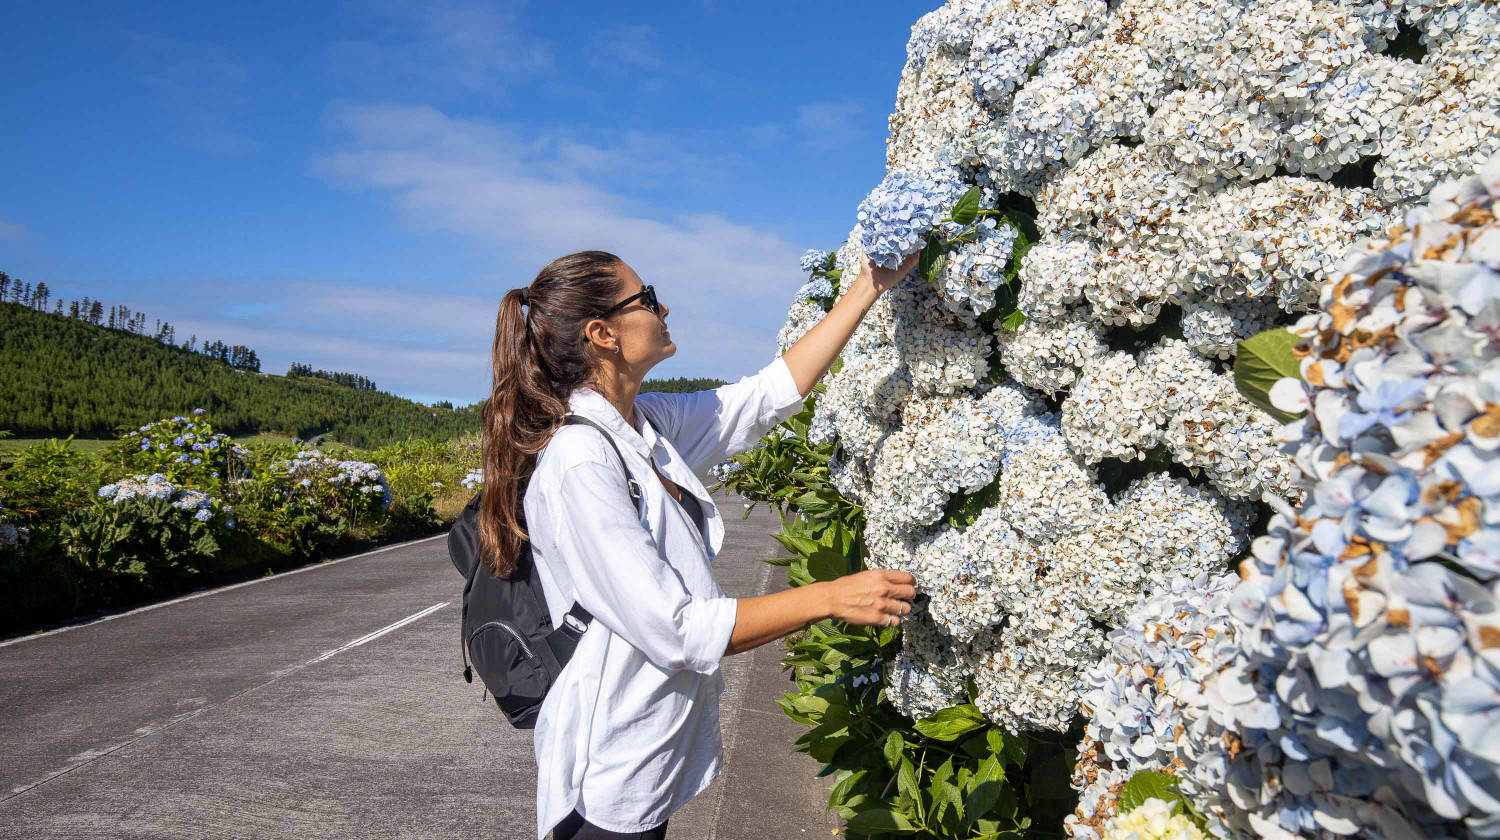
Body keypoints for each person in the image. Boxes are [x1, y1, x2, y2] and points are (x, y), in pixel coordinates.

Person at [481, 249, 921, 840]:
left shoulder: (645, 422)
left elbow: (764, 397)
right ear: (602, 333)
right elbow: (679, 630)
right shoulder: (580, 462)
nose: (663, 308)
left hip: (650, 751)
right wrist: (831, 597)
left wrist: (868, 287)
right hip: (608, 776)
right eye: (646, 298)